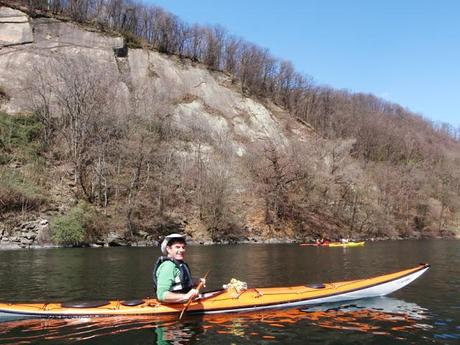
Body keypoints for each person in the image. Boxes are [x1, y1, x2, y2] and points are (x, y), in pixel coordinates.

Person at [153, 233, 206, 303]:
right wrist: (186, 296)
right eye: (177, 247)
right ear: (168, 249)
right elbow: (161, 295)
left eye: (183, 247)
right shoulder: (167, 266)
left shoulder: (180, 264)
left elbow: (182, 281)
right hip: (172, 306)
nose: (181, 250)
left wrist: (197, 281)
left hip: (184, 302)